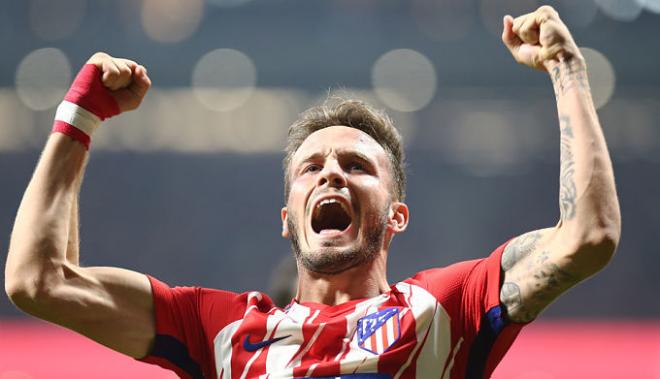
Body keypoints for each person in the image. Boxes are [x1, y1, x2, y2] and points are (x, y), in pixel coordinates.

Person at [4, 6, 620, 379]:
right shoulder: (214, 326)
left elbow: (587, 238)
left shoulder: (449, 308)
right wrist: (80, 116)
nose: (331, 174)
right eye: (311, 167)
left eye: (356, 165)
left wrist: (567, 68)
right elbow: (38, 282)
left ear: (397, 215)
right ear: (286, 219)